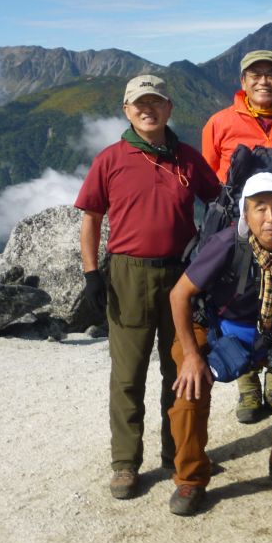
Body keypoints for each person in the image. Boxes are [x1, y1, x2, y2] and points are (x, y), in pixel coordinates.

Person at [75, 75, 221, 501]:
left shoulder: (189, 159)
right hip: (128, 273)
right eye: (139, 103)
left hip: (183, 273)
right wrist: (91, 273)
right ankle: (125, 462)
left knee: (178, 368)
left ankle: (177, 454)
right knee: (128, 373)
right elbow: (91, 219)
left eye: (155, 102)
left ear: (168, 108)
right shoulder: (111, 159)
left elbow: (218, 205)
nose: (147, 109)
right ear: (126, 109)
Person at [167, 172, 272, 516]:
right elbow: (180, 294)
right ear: (245, 213)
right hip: (214, 327)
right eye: (260, 208)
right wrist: (192, 356)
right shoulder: (227, 244)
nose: (270, 218)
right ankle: (191, 478)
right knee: (189, 387)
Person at [201, 49, 272, 423]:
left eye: (270, 74)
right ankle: (248, 382)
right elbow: (209, 181)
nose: (263, 81)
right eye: (255, 75)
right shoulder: (219, 123)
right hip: (237, 236)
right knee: (239, 301)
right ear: (243, 81)